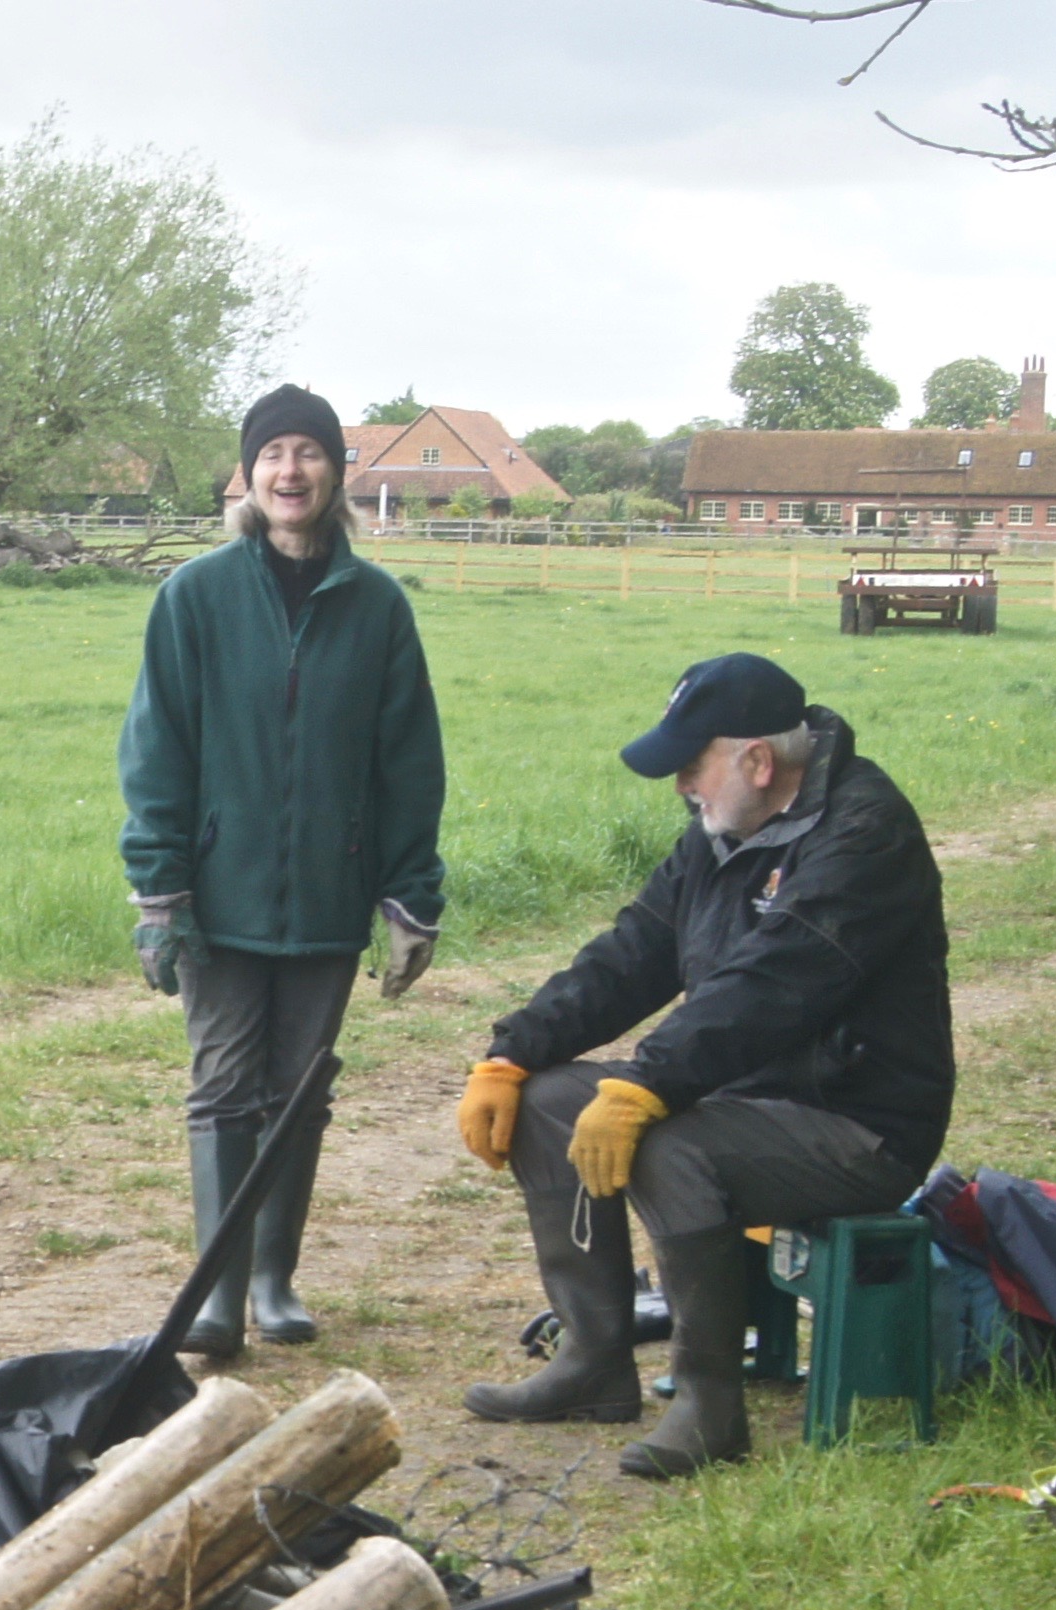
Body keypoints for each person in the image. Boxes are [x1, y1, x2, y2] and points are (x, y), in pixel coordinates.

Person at [454, 653, 953, 1479]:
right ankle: (593, 1360)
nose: (681, 785)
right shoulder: (721, 832)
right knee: (544, 1101)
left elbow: (770, 985)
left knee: (664, 1142)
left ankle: (709, 1404)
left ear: (756, 760)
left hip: (855, 1124)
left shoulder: (865, 832)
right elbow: (631, 953)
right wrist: (511, 1052)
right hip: (738, 1098)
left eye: (691, 765)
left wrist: (648, 1083)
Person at [117, 386, 446, 1356]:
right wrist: (159, 893)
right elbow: (156, 751)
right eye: (272, 454)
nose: (289, 471)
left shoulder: (378, 607)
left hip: (330, 898)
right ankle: (217, 1293)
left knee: (300, 1090)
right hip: (216, 897)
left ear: (336, 473)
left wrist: (410, 897)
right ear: (248, 474)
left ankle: (273, 1279)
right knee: (223, 1085)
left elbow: (408, 764)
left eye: (308, 452)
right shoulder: (194, 597)